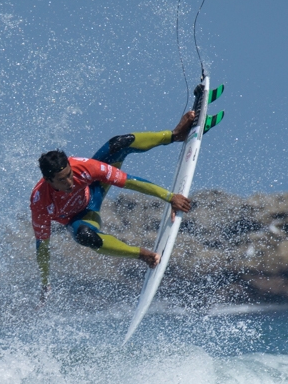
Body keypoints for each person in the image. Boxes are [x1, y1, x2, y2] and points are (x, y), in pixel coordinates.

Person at [30, 111, 197, 297]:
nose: (70, 182)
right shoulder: (40, 203)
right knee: (85, 237)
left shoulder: (82, 168)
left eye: (69, 174)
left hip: (95, 190)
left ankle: (175, 135)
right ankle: (141, 254)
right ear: (48, 180)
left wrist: (170, 197)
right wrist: (45, 283)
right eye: (62, 180)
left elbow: (128, 181)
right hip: (83, 217)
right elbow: (42, 248)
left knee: (118, 143)